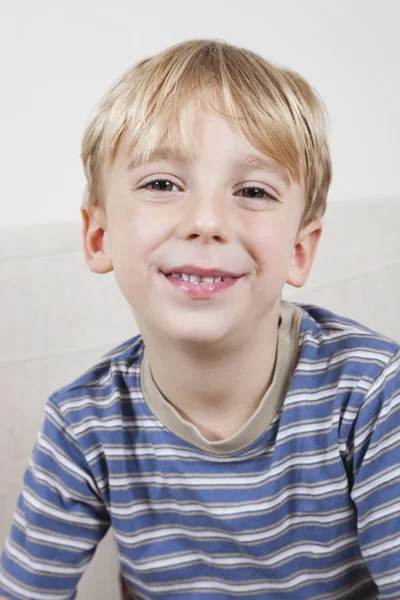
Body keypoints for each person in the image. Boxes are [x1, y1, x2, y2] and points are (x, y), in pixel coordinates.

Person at [0, 38, 399, 600]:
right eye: (162, 184)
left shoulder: (373, 393)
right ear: (99, 236)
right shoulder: (83, 424)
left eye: (253, 190)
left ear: (299, 252)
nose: (207, 220)